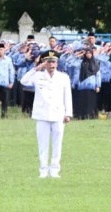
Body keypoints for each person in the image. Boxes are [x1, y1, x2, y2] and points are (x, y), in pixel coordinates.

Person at [21, 50, 73, 178]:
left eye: (53, 61)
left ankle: (55, 170)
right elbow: (23, 81)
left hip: (58, 114)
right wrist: (36, 68)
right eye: (49, 62)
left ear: (57, 62)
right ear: (44, 63)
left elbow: (67, 96)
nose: (51, 64)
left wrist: (68, 113)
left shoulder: (63, 77)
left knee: (57, 143)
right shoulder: (38, 76)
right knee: (42, 144)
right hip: (42, 113)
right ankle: (43, 169)